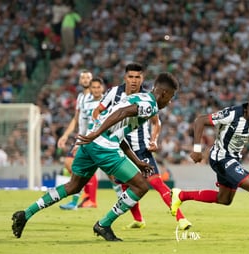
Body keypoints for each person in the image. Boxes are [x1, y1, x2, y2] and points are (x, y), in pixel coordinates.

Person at [11, 72, 178, 241]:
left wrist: (137, 162)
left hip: (90, 141)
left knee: (73, 186)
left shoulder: (139, 96)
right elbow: (123, 113)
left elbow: (119, 132)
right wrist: (99, 133)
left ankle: (25, 214)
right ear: (163, 93)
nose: (169, 102)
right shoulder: (150, 106)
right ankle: (104, 224)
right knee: (141, 186)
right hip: (103, 146)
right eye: (170, 97)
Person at [170, 90, 249, 239]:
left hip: (233, 160)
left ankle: (181, 195)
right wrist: (197, 149)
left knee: (224, 199)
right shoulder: (232, 114)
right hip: (220, 158)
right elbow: (200, 120)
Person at [92, 62, 191, 230]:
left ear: (142, 79)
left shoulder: (150, 99)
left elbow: (156, 123)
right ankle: (138, 219)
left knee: (157, 183)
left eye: (137, 77)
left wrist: (154, 140)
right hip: (117, 148)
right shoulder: (114, 93)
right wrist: (99, 131)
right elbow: (98, 111)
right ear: (125, 77)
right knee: (126, 187)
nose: (134, 80)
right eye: (131, 77)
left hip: (140, 148)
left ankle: (180, 219)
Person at [57, 70, 99, 210]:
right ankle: (86, 198)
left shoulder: (96, 98)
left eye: (88, 77)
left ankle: (88, 199)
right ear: (80, 81)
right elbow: (76, 119)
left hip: (90, 137)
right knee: (72, 165)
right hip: (81, 137)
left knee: (75, 165)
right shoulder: (81, 97)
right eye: (83, 77)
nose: (86, 79)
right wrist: (65, 135)